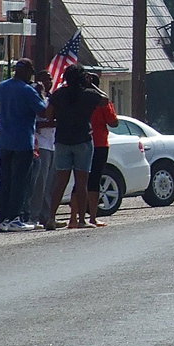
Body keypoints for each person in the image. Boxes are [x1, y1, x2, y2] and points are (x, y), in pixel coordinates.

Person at [47, 64, 108, 230]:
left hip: (62, 140)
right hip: (82, 140)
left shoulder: (59, 94)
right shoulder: (89, 94)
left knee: (60, 181)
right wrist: (91, 84)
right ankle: (81, 220)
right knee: (82, 182)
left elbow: (47, 114)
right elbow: (105, 100)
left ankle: (51, 218)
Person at [0, 59, 47, 232]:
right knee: (20, 182)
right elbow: (43, 111)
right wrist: (41, 93)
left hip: (5, 141)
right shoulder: (27, 90)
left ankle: (3, 219)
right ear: (27, 71)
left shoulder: (2, 86)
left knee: (5, 181)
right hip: (23, 141)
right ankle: (15, 218)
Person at [85, 72, 118, 227]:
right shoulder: (102, 102)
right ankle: (92, 217)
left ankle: (75, 217)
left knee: (80, 179)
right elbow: (113, 122)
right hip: (99, 143)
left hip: (82, 142)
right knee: (94, 179)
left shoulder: (77, 98)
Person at [28, 71, 58, 231]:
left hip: (53, 144)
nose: (48, 82)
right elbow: (36, 123)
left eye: (50, 79)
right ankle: (34, 216)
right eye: (44, 80)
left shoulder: (50, 99)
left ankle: (48, 216)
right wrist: (53, 123)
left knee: (51, 184)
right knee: (40, 184)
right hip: (41, 145)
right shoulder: (36, 101)